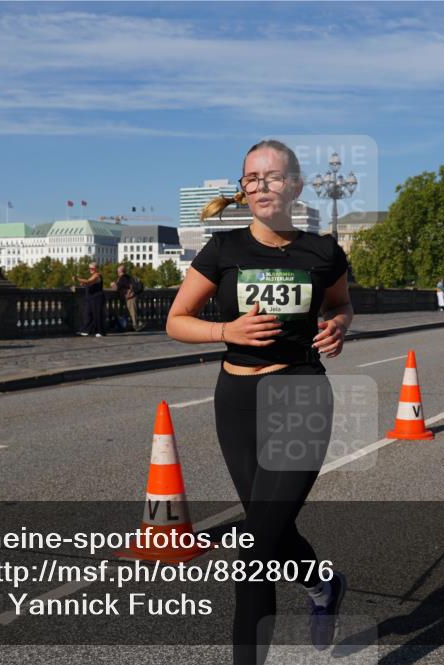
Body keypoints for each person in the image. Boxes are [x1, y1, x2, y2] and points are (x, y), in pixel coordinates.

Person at [165, 140, 353, 663]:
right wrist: (228, 329)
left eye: (273, 176)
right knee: (270, 531)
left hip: (301, 396)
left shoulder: (322, 251)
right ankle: (324, 584)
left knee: (253, 550)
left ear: (295, 185)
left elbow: (341, 305)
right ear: (242, 190)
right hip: (237, 399)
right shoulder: (223, 251)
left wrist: (337, 327)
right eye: (252, 178)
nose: (262, 185)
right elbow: (176, 320)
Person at [73, 263, 105, 337]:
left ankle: (100, 332)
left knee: (97, 315)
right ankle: (86, 330)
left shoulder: (97, 275)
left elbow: (88, 281)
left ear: (96, 269)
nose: (91, 270)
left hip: (97, 298)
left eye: (92, 268)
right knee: (88, 314)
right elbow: (88, 283)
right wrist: (83, 284)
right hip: (90, 298)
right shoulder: (92, 276)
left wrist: (77, 279)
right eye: (90, 268)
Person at [111, 265, 145, 332]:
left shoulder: (122, 278)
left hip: (130, 298)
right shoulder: (128, 277)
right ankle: (135, 325)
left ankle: (136, 326)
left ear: (119, 271)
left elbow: (118, 288)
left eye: (118, 271)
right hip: (131, 297)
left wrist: (113, 285)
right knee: (131, 312)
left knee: (132, 312)